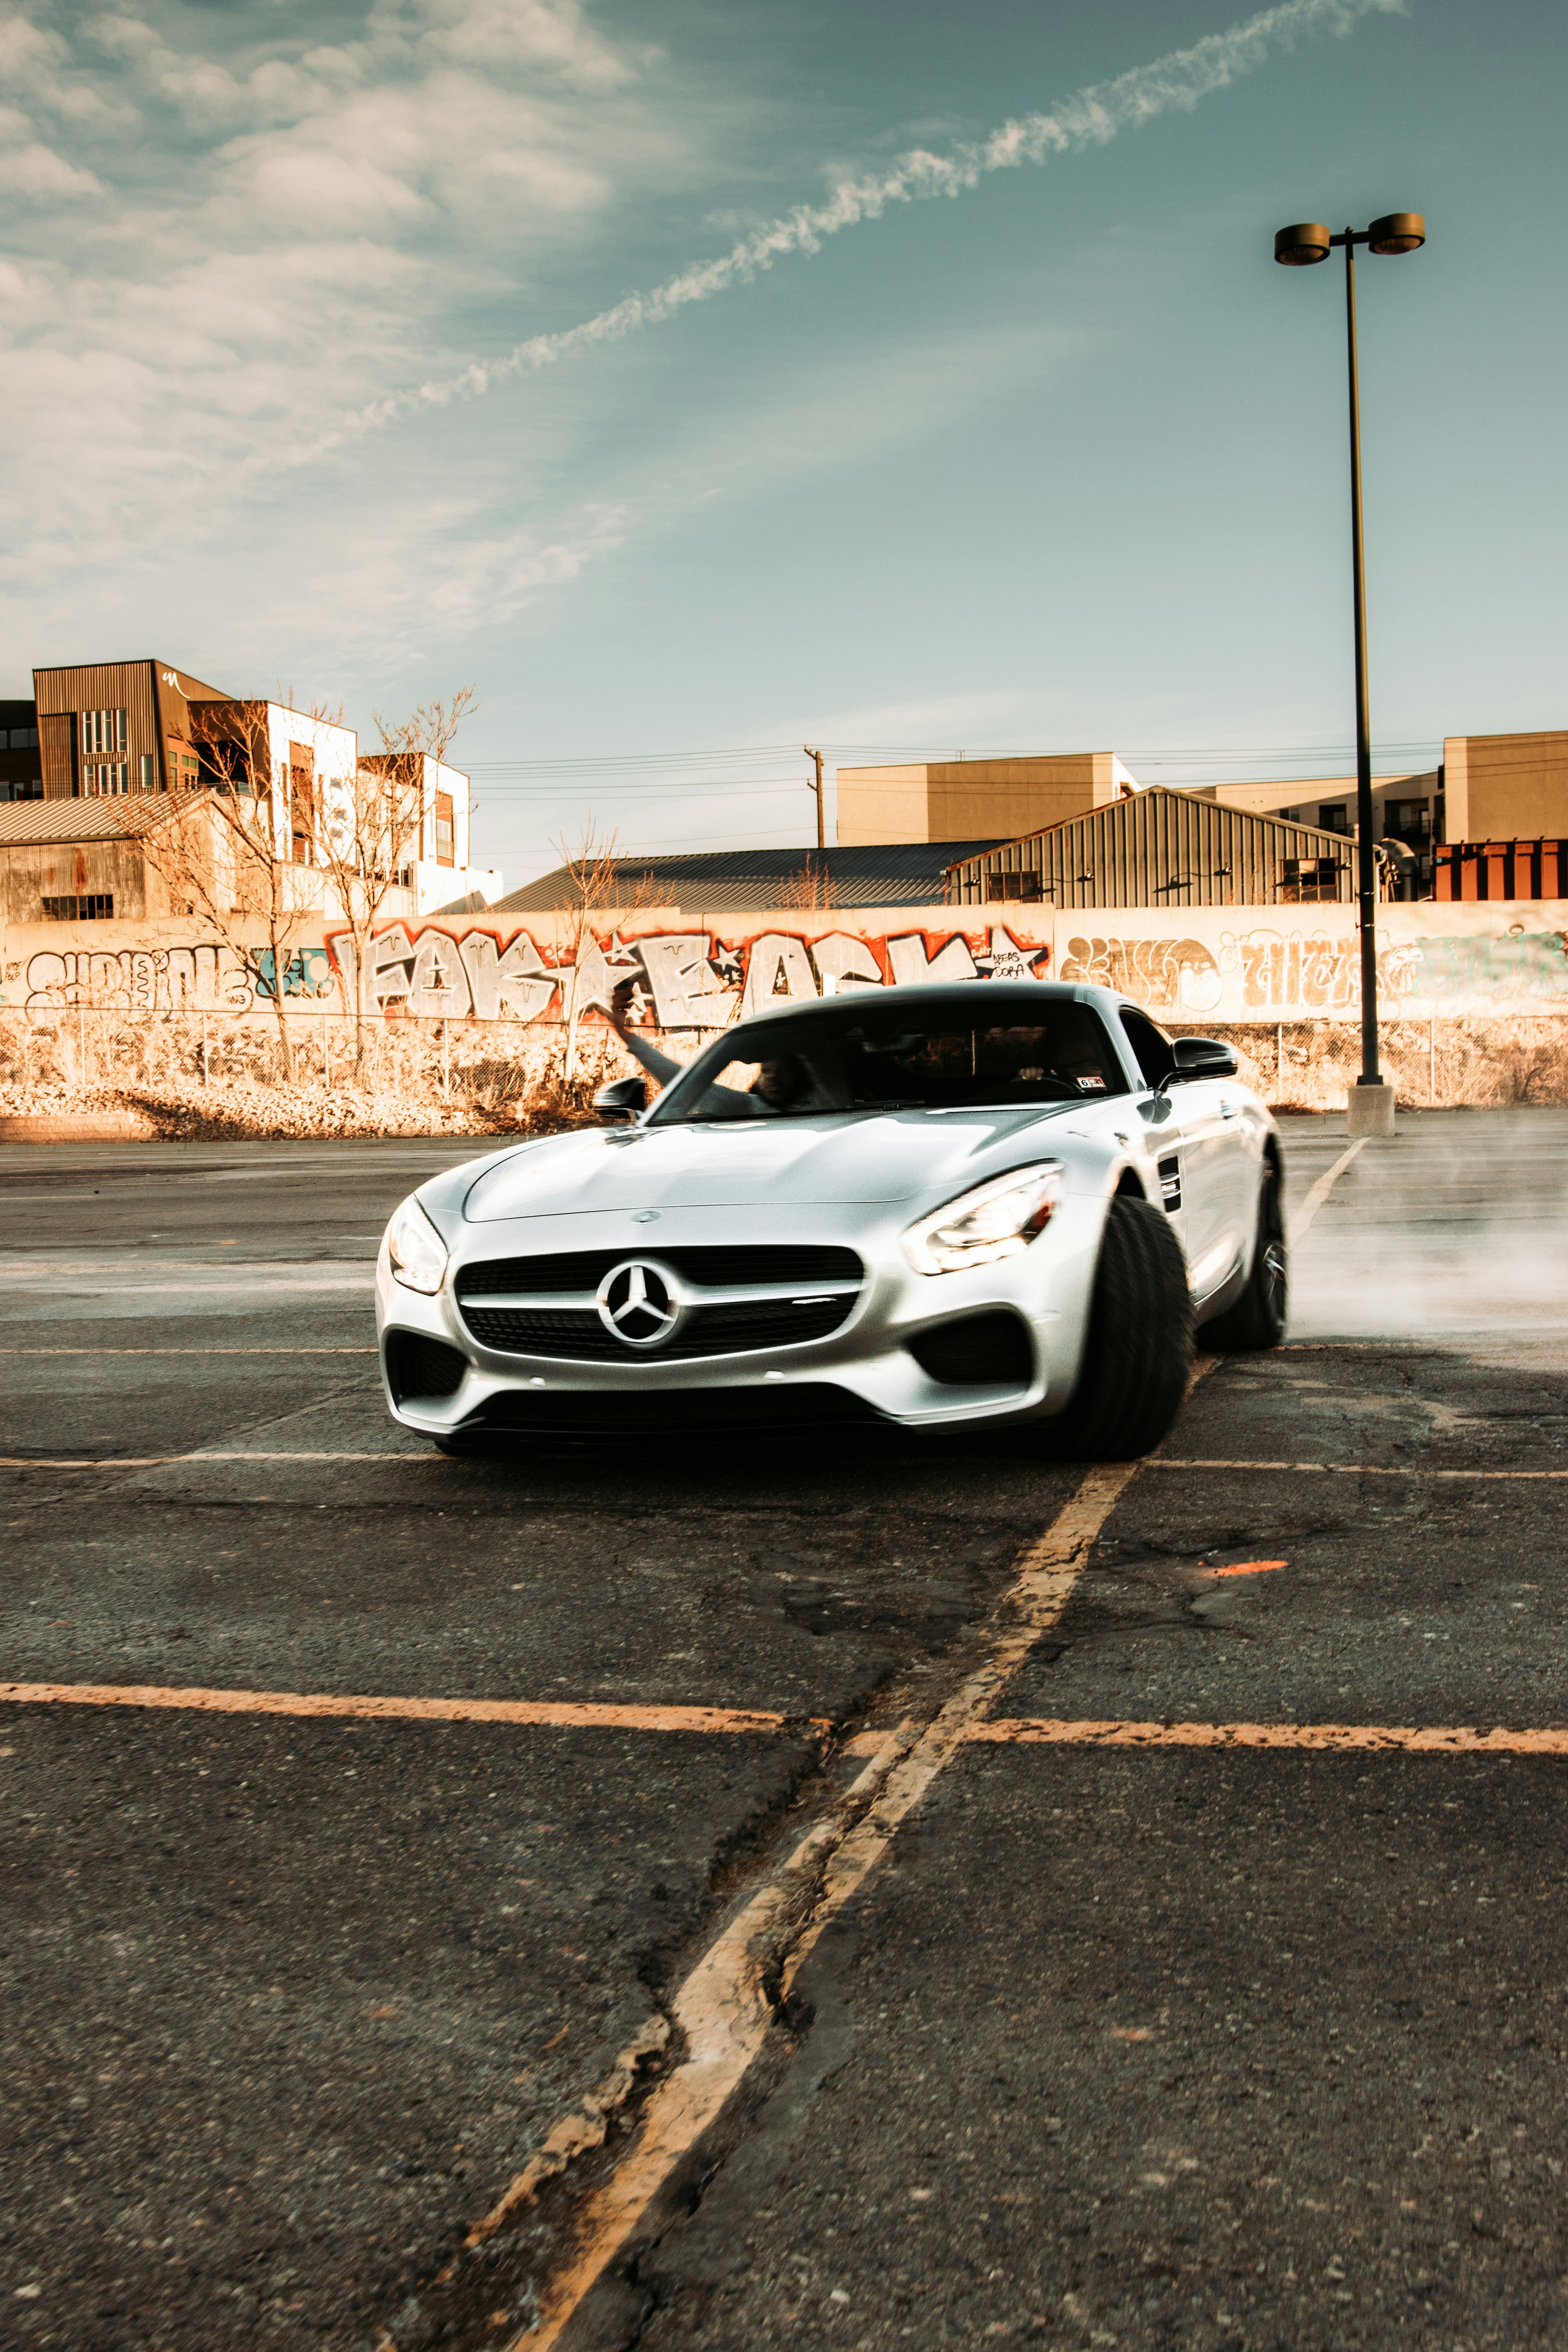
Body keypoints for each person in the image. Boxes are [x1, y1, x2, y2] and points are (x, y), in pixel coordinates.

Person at [608, 980, 815, 1116]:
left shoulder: (825, 1108)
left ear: (801, 1076)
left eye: (784, 1071)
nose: (772, 1078)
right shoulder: (750, 1109)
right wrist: (626, 1035)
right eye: (766, 1070)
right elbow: (684, 1083)